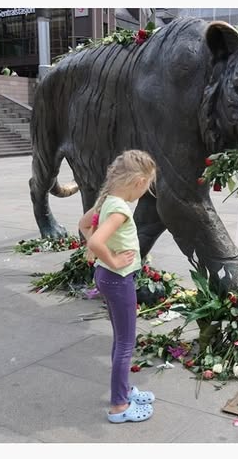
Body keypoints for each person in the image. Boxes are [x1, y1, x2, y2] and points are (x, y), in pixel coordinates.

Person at [79, 150, 157, 424]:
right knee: (126, 343)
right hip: (117, 278)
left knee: (119, 339)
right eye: (147, 185)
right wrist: (111, 257)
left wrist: (103, 255)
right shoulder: (120, 209)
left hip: (107, 276)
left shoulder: (106, 201)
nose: (146, 190)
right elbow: (94, 241)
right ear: (138, 182)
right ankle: (119, 406)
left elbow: (83, 225)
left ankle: (121, 390)